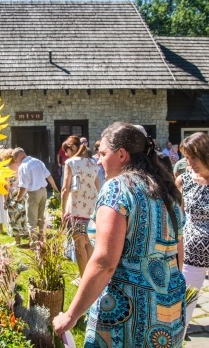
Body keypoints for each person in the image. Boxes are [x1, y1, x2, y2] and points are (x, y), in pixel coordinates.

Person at [53, 122, 185, 347]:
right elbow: (177, 254)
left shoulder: (117, 189)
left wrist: (71, 315)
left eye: (103, 153)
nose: (99, 159)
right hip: (168, 308)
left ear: (122, 154)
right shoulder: (165, 190)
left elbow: (105, 262)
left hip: (126, 313)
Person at [175, 132, 209, 335]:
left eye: (193, 157)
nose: (189, 163)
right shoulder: (184, 180)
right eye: (186, 157)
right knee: (184, 302)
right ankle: (178, 336)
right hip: (192, 253)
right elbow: (176, 217)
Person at [60, 136, 100, 286]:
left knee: (79, 244)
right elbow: (97, 185)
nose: (66, 154)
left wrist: (63, 210)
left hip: (76, 206)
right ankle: (89, 275)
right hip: (91, 207)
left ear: (73, 148)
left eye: (67, 150)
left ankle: (84, 279)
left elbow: (65, 188)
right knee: (88, 242)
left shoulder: (71, 163)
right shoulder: (93, 162)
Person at [12, 147, 59, 247]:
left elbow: (23, 186)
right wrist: (55, 188)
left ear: (20, 155)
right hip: (43, 192)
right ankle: (42, 240)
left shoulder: (23, 166)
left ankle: (34, 244)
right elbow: (49, 176)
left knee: (31, 221)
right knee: (41, 218)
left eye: (15, 158)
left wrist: (17, 199)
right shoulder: (38, 161)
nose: (16, 160)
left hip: (33, 193)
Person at [0, 148, 28, 246]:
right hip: (23, 193)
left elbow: (6, 186)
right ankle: (27, 234)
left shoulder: (7, 169)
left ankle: (17, 241)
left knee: (14, 214)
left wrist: (5, 200)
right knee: (23, 212)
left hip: (13, 196)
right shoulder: (22, 166)